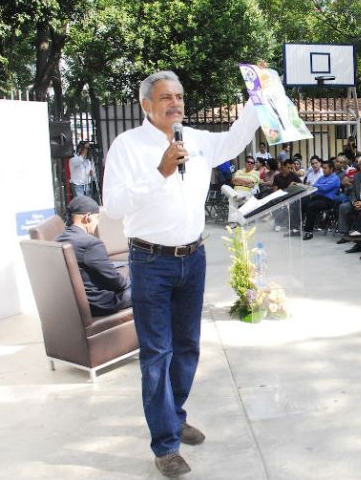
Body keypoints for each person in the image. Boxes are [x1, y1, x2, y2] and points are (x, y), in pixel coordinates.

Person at [102, 70, 260, 477]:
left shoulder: (198, 140)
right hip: (150, 261)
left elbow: (238, 136)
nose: (175, 103)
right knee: (157, 353)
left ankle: (175, 416)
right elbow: (114, 206)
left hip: (194, 257)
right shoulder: (127, 145)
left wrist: (261, 95)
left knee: (188, 347)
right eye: (165, 97)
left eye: (179, 96)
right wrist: (161, 172)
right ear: (146, 104)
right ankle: (165, 444)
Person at [55, 195, 132, 316]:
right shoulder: (91, 244)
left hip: (74, 305)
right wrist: (133, 282)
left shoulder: (57, 240)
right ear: (87, 218)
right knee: (149, 289)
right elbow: (115, 282)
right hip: (100, 303)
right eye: (97, 219)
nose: (97, 223)